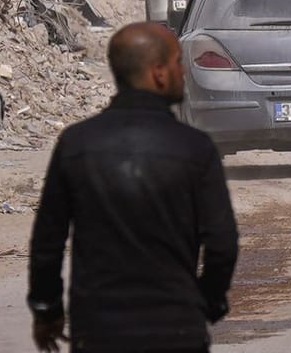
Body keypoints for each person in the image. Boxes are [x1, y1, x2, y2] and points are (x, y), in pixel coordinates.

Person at [28, 22, 238, 352]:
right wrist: (206, 304)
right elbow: (222, 244)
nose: (183, 72)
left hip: (98, 331)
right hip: (177, 330)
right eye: (178, 62)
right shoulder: (195, 148)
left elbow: (47, 243)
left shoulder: (76, 143)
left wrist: (47, 311)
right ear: (159, 73)